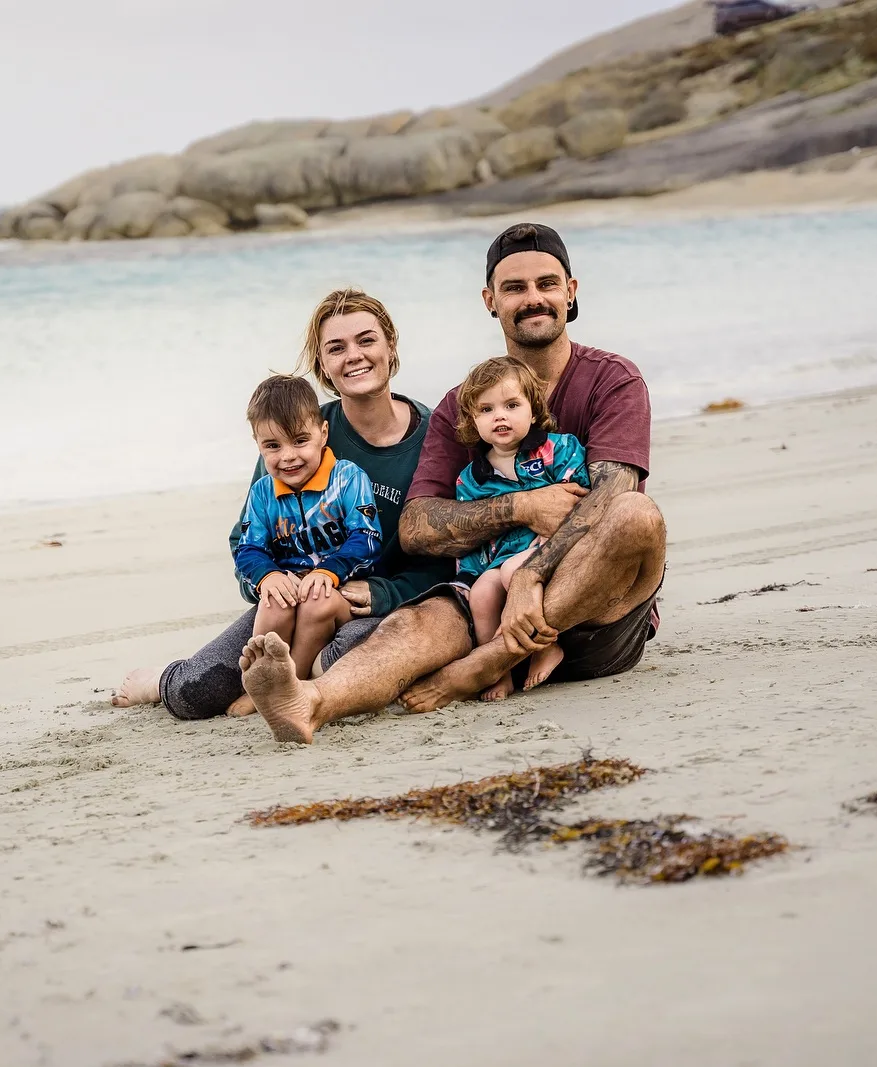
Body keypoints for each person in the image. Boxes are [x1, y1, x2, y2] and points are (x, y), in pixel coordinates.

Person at [239, 222, 667, 743]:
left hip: (597, 616)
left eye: (546, 284)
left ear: (570, 292)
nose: (532, 298)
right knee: (412, 624)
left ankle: (494, 661)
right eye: (514, 288)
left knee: (637, 516)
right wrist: (520, 508)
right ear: (490, 301)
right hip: (486, 602)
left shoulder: (612, 381)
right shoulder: (463, 403)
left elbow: (612, 497)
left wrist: (531, 577)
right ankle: (310, 701)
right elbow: (418, 525)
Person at [112, 288, 448, 717]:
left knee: (339, 663)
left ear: (390, 346)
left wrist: (385, 592)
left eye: (366, 340)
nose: (354, 356)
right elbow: (248, 541)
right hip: (291, 601)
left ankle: (291, 689)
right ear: (322, 364)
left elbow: (451, 562)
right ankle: (163, 679)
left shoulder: (436, 437)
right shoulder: (297, 433)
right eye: (336, 348)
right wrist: (268, 583)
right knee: (194, 695)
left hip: (373, 604)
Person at [450, 356, 589, 702]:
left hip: (554, 545)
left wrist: (553, 536)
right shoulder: (472, 479)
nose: (499, 416)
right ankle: (497, 668)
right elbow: (475, 537)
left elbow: (579, 495)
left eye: (512, 405)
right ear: (473, 420)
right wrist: (469, 576)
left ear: (532, 409)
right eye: (486, 409)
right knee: (482, 592)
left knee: (516, 571)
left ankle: (546, 646)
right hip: (503, 557)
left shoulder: (558, 449)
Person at [235, 375, 382, 681]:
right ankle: (260, 680)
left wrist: (328, 572)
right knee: (275, 603)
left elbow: (366, 537)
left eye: (300, 440)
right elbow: (247, 548)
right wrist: (268, 575)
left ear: (322, 433)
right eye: (272, 446)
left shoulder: (346, 478)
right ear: (257, 445)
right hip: (291, 589)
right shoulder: (263, 492)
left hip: (339, 593)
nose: (288, 456)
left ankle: (293, 683)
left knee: (318, 601)